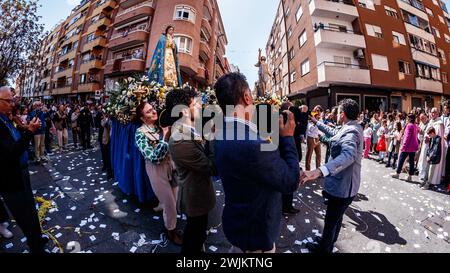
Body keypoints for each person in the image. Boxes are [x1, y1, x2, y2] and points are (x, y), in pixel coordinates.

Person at [214, 73, 301, 253]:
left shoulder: (221, 131)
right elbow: (290, 181)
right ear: (247, 97)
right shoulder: (253, 145)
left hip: (238, 224)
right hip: (255, 235)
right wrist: (287, 138)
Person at [302, 98, 363, 253]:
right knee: (336, 218)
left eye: (337, 112)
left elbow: (349, 155)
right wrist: (317, 122)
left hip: (343, 188)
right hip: (344, 186)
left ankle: (324, 248)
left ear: (342, 114)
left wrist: (319, 171)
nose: (335, 115)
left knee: (330, 221)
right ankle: (329, 241)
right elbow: (335, 133)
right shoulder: (350, 127)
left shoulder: (352, 131)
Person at [166, 88, 216, 253]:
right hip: (195, 198)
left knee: (198, 233)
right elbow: (210, 166)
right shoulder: (180, 139)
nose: (200, 107)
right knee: (193, 239)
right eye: (196, 104)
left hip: (200, 193)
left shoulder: (189, 129)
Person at [0, 86, 47, 253]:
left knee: (31, 211)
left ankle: (38, 240)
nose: (13, 103)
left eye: (13, 100)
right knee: (24, 216)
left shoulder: (7, 118)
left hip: (22, 172)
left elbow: (18, 136)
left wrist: (24, 126)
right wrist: (30, 133)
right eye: (9, 101)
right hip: (10, 179)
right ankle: (36, 247)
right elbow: (11, 152)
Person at [134, 102, 182, 245]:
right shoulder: (140, 133)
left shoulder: (160, 126)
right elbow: (153, 157)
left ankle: (170, 221)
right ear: (143, 118)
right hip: (156, 170)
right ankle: (170, 232)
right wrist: (165, 137)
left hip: (171, 167)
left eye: (153, 109)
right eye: (149, 111)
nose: (154, 111)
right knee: (170, 205)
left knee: (174, 200)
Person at [280, 101, 301, 215]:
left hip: (282, 157)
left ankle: (285, 205)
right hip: (287, 157)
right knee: (289, 182)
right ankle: (286, 207)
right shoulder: (287, 122)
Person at [391, 114, 419, 181]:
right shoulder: (415, 125)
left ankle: (397, 173)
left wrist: (403, 146)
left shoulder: (409, 125)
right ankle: (410, 176)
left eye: (407, 118)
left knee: (401, 159)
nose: (406, 119)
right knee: (411, 162)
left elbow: (407, 136)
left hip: (407, 146)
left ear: (409, 119)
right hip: (413, 146)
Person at [305, 106, 322, 171]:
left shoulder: (320, 119)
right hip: (311, 138)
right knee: (309, 155)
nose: (318, 112)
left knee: (319, 155)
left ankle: (318, 170)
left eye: (319, 110)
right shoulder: (310, 118)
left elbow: (321, 129)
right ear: (314, 111)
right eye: (317, 110)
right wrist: (315, 122)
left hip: (317, 137)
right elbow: (310, 129)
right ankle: (307, 170)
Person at [101, 112, 114, 180]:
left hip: (112, 141)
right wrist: (106, 119)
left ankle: (112, 171)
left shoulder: (113, 121)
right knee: (107, 157)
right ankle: (109, 173)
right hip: (106, 141)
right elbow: (103, 124)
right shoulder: (104, 120)